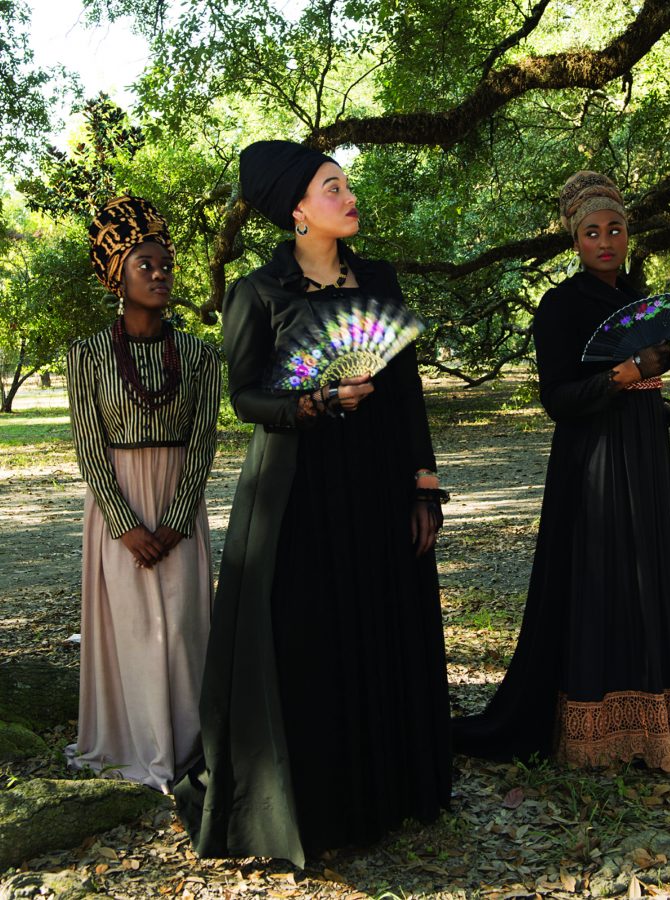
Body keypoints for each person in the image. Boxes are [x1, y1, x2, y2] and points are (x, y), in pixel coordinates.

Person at [175, 140, 451, 867]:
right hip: (294, 490)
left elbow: (407, 395)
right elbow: (244, 400)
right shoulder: (257, 291)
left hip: (378, 480)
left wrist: (423, 485)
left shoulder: (381, 280)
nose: (348, 195)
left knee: (380, 619)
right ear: (297, 208)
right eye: (333, 187)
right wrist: (312, 400)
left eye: (346, 184)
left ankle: (387, 790)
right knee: (307, 638)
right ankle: (314, 808)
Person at [452, 171, 670, 771]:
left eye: (615, 229)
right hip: (592, 466)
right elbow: (558, 399)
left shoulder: (639, 301)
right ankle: (595, 735)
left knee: (647, 582)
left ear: (627, 235)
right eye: (592, 232)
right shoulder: (560, 305)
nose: (606, 241)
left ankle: (653, 726)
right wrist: (623, 374)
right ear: (575, 242)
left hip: (643, 458)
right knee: (599, 582)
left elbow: (644, 385)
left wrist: (667, 408)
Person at [66, 196, 221, 792]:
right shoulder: (86, 355)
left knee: (182, 626)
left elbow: (204, 440)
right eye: (144, 266)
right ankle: (131, 741)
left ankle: (186, 747)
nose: (160, 275)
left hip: (179, 504)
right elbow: (89, 446)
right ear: (118, 278)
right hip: (119, 508)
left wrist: (177, 518)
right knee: (131, 627)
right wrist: (124, 523)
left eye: (166, 266)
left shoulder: (203, 356)